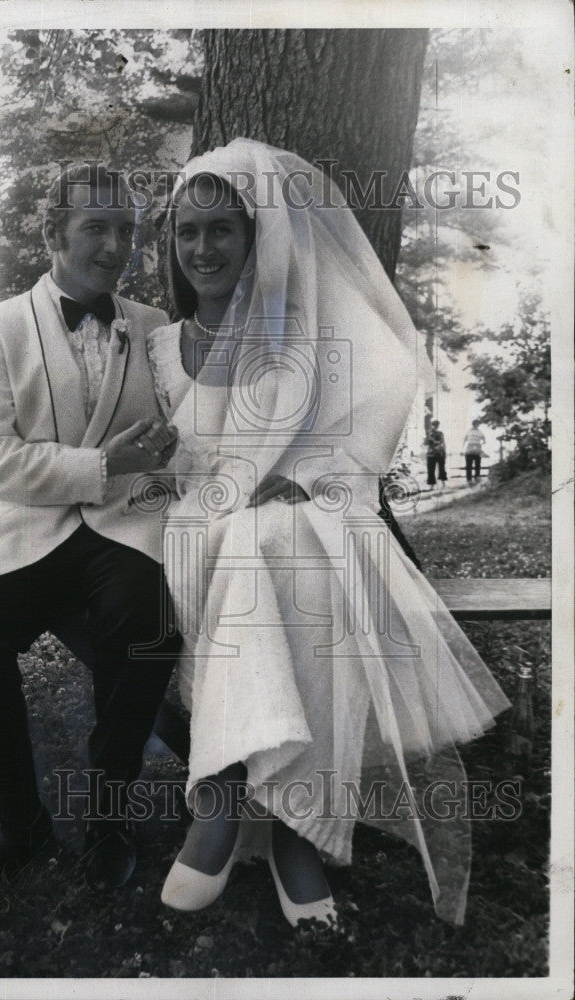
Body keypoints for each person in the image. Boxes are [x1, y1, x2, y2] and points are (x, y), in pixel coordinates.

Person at [143, 139, 510, 927]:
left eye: (222, 231)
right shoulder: (158, 345)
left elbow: (387, 382)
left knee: (273, 544)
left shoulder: (303, 326)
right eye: (187, 232)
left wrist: (311, 474)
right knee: (247, 544)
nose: (203, 248)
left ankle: (252, 815)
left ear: (256, 236)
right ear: (172, 244)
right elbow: (144, 465)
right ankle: (266, 814)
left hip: (291, 529)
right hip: (194, 533)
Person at [0, 163, 182, 891]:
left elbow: (183, 438)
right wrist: (102, 465)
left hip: (128, 528)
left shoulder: (157, 329)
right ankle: (19, 824)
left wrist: (165, 457)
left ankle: (108, 822)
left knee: (145, 620)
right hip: (27, 528)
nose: (114, 247)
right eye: (95, 227)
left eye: (127, 231)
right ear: (51, 233)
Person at [425, 419, 447, 488]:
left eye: (437, 425)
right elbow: (425, 443)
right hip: (431, 454)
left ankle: (443, 484)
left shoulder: (440, 433)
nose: (436, 426)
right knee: (431, 469)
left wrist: (445, 452)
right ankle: (432, 485)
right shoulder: (429, 433)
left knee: (442, 468)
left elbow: (443, 443)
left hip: (440, 453)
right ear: (432, 425)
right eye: (434, 425)